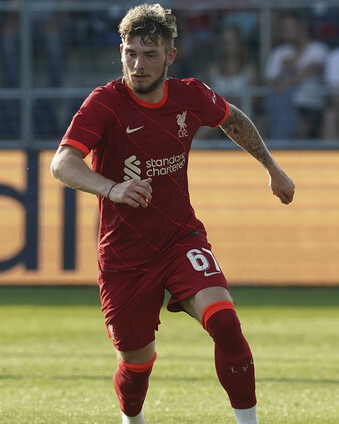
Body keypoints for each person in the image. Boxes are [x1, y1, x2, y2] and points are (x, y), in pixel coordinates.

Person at [50, 4, 295, 424]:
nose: (138, 65)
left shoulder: (189, 96)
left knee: (225, 323)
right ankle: (132, 419)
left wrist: (271, 167)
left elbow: (232, 119)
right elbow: (62, 163)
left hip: (180, 239)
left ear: (170, 56)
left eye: (149, 54)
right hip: (125, 258)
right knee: (136, 364)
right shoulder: (105, 103)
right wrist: (112, 188)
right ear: (121, 52)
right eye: (130, 53)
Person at [265, 12, 328, 139]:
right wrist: (283, 70)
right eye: (284, 29)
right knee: (262, 122)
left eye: (290, 28)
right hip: (281, 105)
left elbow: (312, 69)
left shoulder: (318, 49)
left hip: (309, 105)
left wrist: (290, 76)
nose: (286, 32)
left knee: (300, 126)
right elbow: (269, 82)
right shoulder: (279, 52)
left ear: (302, 28)